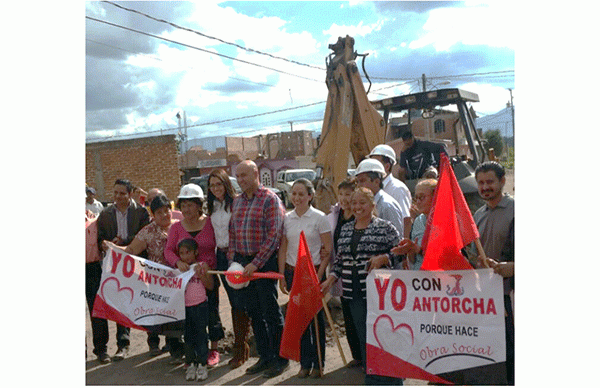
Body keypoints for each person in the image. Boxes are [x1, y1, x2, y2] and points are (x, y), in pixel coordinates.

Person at [320, 187, 403, 385]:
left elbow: (400, 252)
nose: (357, 207)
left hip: (379, 294)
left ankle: (391, 378)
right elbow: (340, 261)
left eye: (362, 203)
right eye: (354, 203)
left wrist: (384, 258)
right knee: (364, 335)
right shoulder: (346, 229)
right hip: (353, 292)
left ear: (372, 205)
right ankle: (372, 375)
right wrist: (330, 279)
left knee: (383, 335)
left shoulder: (385, 227)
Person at [102, 195, 184, 358]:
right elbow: (131, 251)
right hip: (157, 282)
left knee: (178, 315)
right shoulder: (148, 231)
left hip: (179, 281)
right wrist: (113, 248)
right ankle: (158, 345)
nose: (165, 215)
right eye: (159, 212)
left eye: (167, 210)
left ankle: (177, 349)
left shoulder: (180, 226)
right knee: (159, 314)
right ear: (152, 215)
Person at [228, 160, 288, 378]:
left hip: (264, 264)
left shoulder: (270, 200)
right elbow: (233, 232)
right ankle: (265, 357)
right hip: (244, 265)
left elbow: (275, 235)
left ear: (256, 174)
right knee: (254, 312)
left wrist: (257, 262)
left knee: (270, 312)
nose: (241, 180)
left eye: (245, 175)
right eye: (238, 176)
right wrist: (233, 261)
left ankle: (281, 359)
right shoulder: (237, 202)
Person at [278, 178, 332, 378]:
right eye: (294, 194)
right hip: (294, 272)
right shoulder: (287, 218)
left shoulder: (319, 218)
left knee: (315, 320)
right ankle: (304, 363)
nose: (297, 198)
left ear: (310, 196)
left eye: (302, 194)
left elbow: (328, 250)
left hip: (314, 272)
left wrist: (318, 277)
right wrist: (282, 274)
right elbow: (283, 247)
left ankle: (319, 363)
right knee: (299, 318)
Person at [95, 178, 150, 362]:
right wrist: (105, 243)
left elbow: (144, 234)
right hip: (115, 266)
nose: (118, 197)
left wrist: (124, 243)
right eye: (115, 193)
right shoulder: (105, 213)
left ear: (131, 194)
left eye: (122, 193)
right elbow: (101, 236)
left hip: (136, 263)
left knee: (141, 300)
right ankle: (120, 346)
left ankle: (148, 342)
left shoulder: (141, 212)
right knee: (120, 300)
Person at [164, 184, 218, 365]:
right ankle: (193, 352)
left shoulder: (210, 223)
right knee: (191, 317)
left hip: (207, 276)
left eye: (190, 204)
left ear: (199, 204)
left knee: (212, 313)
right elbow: (168, 251)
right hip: (187, 281)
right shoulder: (176, 228)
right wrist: (177, 262)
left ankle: (213, 349)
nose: (186, 209)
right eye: (183, 205)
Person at [472, 161, 514, 385]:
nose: (485, 187)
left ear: (502, 181)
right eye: (481, 183)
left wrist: (511, 267)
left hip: (509, 298)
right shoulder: (478, 215)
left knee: (512, 352)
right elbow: (473, 254)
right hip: (485, 298)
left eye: (490, 182)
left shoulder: (516, 211)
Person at [206, 169, 250, 369]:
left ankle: (241, 348)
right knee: (232, 301)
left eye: (219, 184)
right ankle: (241, 347)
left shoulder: (237, 203)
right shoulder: (211, 206)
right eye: (212, 185)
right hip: (220, 256)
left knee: (239, 302)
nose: (216, 188)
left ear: (226, 184)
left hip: (236, 256)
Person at [326, 178, 363, 368]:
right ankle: (356, 355)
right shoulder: (334, 215)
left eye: (348, 194)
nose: (344, 198)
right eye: (341, 194)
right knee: (347, 314)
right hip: (339, 271)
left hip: (358, 274)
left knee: (360, 315)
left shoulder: (360, 215)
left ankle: (366, 357)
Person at [176, 238, 214, 381]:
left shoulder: (203, 265)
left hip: (200, 306)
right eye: (181, 253)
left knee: (201, 336)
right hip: (185, 307)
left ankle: (202, 364)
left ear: (195, 252)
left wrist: (202, 274)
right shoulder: (179, 269)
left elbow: (210, 286)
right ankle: (191, 363)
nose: (185, 256)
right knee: (188, 337)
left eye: (188, 252)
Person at [354, 158, 407, 249]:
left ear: (377, 182)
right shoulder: (365, 204)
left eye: (362, 181)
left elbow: (397, 243)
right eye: (357, 182)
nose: (359, 185)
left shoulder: (387, 206)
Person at [391, 179, 438, 270]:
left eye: (422, 197)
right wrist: (409, 249)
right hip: (420, 278)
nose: (418, 202)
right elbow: (413, 260)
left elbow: (446, 257)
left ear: (435, 197)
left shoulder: (448, 220)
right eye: (416, 198)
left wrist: (418, 250)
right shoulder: (418, 221)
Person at [367, 144, 412, 220]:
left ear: (387, 166)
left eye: (375, 164)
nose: (371, 167)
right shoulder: (371, 187)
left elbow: (406, 220)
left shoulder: (398, 189)